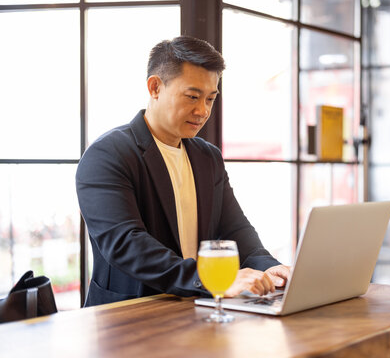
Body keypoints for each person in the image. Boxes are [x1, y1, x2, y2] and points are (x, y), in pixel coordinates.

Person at [76, 36, 290, 307]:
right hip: (129, 316)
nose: (202, 111)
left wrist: (269, 268)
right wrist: (212, 280)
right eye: (192, 96)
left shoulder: (207, 156)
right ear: (155, 87)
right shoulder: (108, 155)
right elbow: (126, 245)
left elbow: (235, 229)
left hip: (198, 308)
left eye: (210, 99)